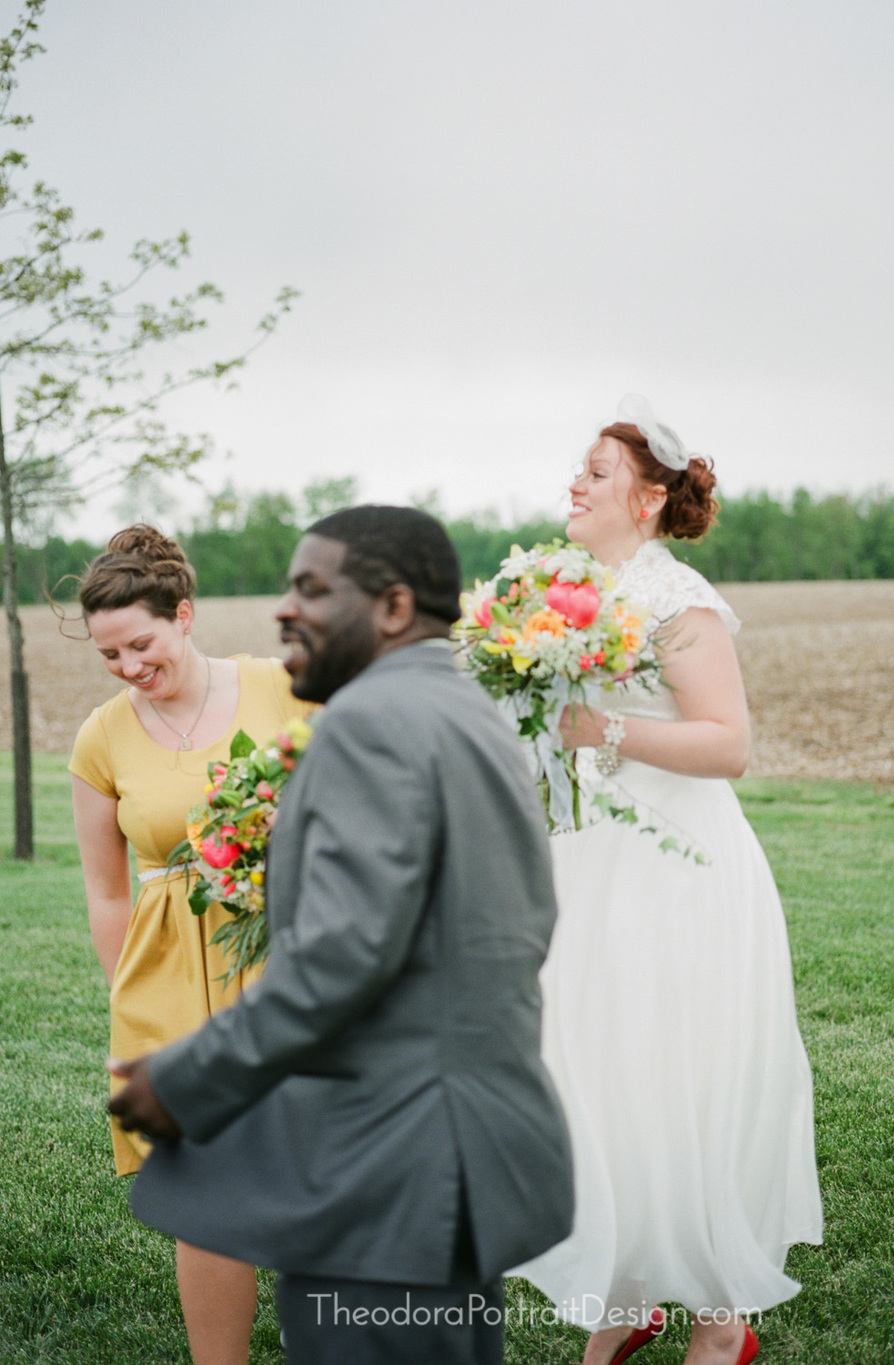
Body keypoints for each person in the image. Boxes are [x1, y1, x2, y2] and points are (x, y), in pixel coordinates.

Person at [106, 505, 575, 1365]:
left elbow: (338, 961)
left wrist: (180, 1082)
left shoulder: (367, 725)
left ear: (394, 608)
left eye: (311, 589)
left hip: (387, 1176)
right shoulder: (471, 714)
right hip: (470, 1156)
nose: (285, 609)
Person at [514, 397, 823, 1365]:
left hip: (680, 875)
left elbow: (728, 743)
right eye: (579, 468)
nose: (576, 483)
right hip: (590, 867)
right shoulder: (562, 596)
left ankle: (722, 1322)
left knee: (676, 1076)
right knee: (600, 1075)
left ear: (647, 500)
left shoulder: (674, 599)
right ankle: (625, 1293)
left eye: (597, 472)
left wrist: (599, 730)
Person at [68, 524, 314, 1365]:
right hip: (171, 980)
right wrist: (127, 996)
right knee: (207, 1194)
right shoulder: (102, 736)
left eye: (141, 642)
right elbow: (106, 888)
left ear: (184, 613)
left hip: (292, 953)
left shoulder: (285, 687)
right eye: (109, 654)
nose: (130, 666)